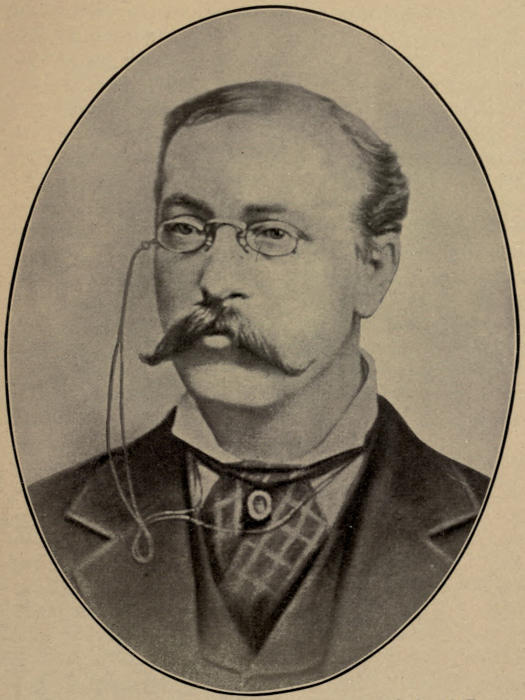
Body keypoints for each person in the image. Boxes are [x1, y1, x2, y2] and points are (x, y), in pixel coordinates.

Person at [29, 82, 488, 692]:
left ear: (373, 269)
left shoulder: (493, 530)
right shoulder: (37, 523)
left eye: (272, 234)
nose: (214, 279)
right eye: (185, 229)